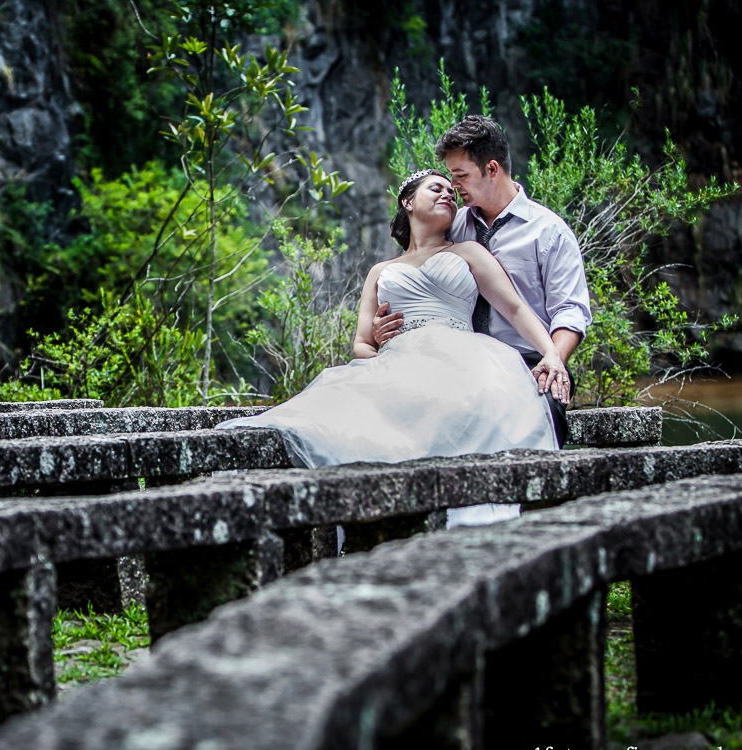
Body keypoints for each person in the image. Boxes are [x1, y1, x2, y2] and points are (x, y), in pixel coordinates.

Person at [217, 169, 569, 532]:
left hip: (464, 355)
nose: (448, 194)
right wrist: (380, 345)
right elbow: (360, 345)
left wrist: (550, 354)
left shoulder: (469, 252)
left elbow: (513, 308)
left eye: (452, 190)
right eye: (436, 188)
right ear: (409, 202)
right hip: (399, 358)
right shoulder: (381, 271)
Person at [373, 115, 592, 447]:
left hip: (529, 361)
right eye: (449, 177)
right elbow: (415, 276)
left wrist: (553, 359)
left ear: (492, 169)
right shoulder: (451, 223)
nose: (454, 186)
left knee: (539, 421)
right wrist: (382, 327)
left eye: (460, 176)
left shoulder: (549, 231)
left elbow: (571, 311)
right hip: (458, 367)